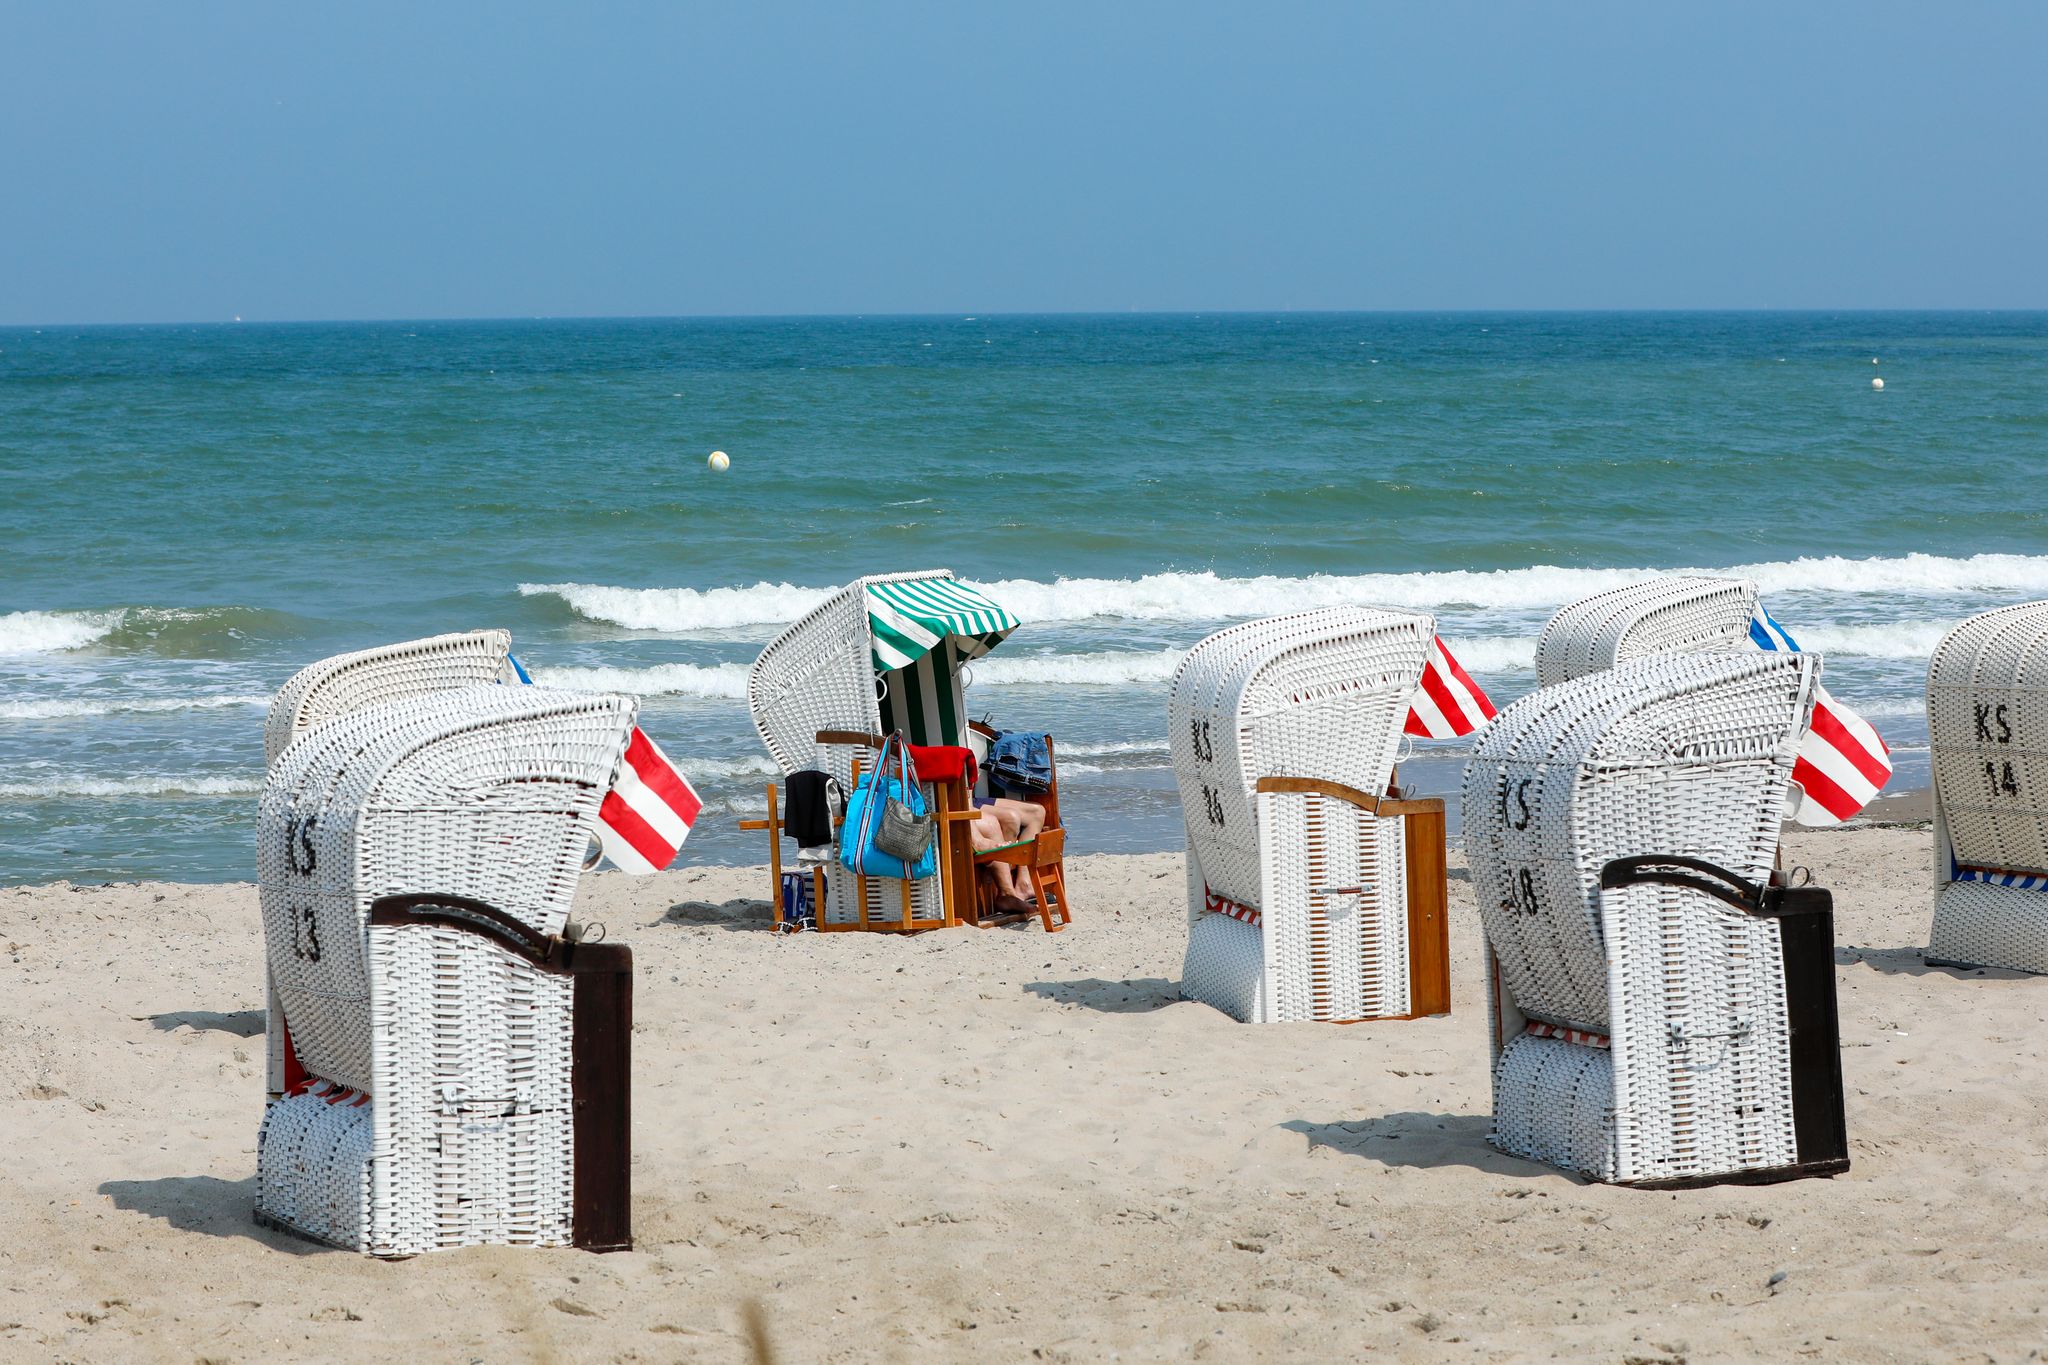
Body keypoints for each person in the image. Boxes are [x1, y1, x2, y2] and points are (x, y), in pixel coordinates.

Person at [966, 795, 1046, 915]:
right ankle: (1007, 891)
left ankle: (1024, 884)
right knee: (1011, 818)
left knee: (1037, 812)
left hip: (970, 796)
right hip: (961, 797)